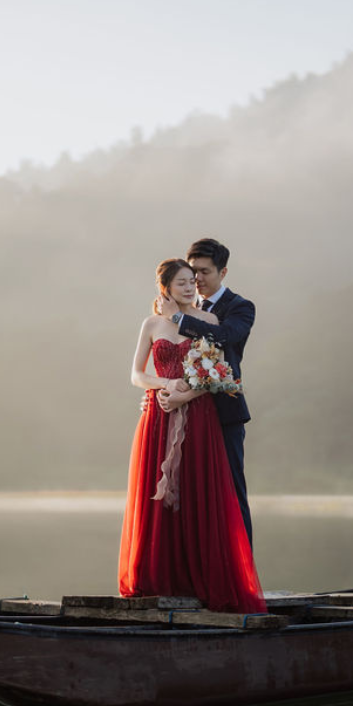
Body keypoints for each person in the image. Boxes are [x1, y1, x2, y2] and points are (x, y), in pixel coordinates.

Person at [119, 258, 265, 614]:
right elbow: (137, 374)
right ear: (165, 287)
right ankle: (159, 579)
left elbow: (218, 371)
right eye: (182, 282)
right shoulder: (151, 323)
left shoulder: (209, 322)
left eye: (192, 280)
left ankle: (201, 577)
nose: (189, 286)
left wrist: (189, 392)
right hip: (159, 414)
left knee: (199, 493)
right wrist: (165, 385)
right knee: (159, 496)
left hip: (200, 417)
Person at [157, 238, 256, 545]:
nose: (197, 280)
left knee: (230, 492)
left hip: (223, 413)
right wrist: (162, 390)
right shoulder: (187, 305)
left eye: (204, 272)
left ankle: (243, 573)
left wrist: (178, 318)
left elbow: (225, 337)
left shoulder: (239, 307)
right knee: (191, 496)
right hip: (186, 417)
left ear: (222, 272)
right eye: (192, 272)